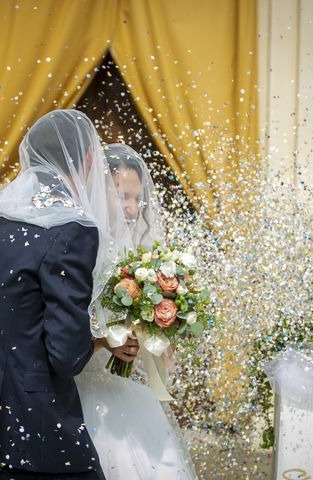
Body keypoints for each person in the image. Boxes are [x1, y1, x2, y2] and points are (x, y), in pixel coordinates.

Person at [0, 110, 130, 480]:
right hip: (35, 425)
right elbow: (66, 355)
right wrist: (105, 339)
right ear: (86, 158)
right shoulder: (71, 227)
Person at [76, 143, 197, 479]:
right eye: (122, 196)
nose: (131, 208)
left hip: (125, 384)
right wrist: (105, 340)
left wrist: (156, 332)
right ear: (101, 191)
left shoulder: (140, 254)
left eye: (136, 199)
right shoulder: (81, 247)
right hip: (84, 383)